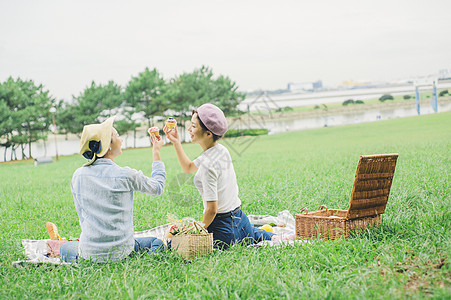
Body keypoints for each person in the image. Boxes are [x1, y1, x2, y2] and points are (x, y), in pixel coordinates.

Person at [163, 103, 273, 249]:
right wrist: (176, 141)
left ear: (208, 133)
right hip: (242, 222)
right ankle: (275, 236)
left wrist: (198, 230)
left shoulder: (208, 165)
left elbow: (212, 210)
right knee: (258, 234)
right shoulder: (220, 150)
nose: (189, 129)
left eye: (194, 126)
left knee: (173, 245)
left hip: (224, 231)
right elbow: (188, 167)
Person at [60, 116, 166, 263]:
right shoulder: (126, 175)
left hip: (90, 251)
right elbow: (157, 187)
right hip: (122, 251)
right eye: (117, 136)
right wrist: (156, 151)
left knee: (65, 247)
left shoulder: (78, 176)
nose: (121, 140)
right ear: (107, 145)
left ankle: (78, 260)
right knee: (157, 243)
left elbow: (82, 216)